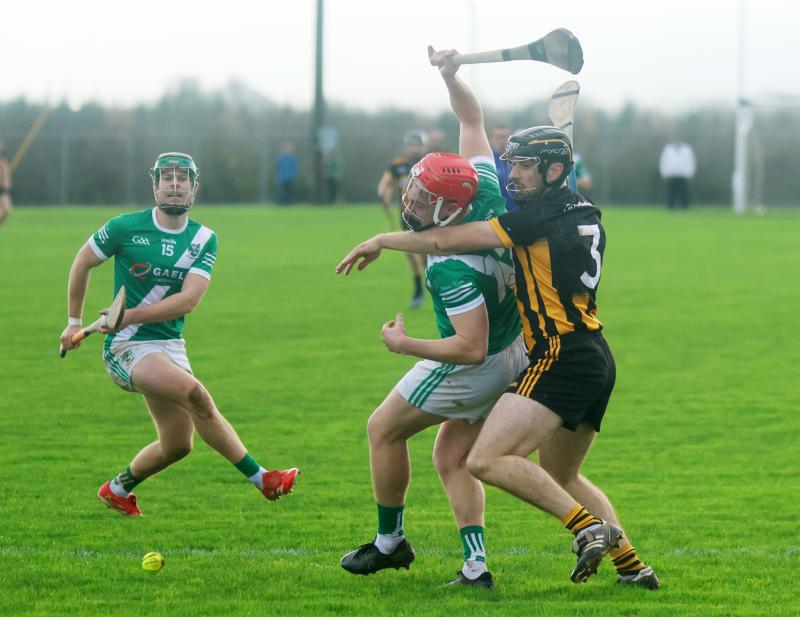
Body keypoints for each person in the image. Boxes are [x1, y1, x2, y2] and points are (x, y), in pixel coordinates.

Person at [336, 51, 659, 591]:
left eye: (525, 167)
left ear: (553, 172)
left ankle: (584, 529)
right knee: (561, 473)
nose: (512, 174)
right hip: (595, 356)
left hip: (555, 357)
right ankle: (633, 567)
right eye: (512, 164)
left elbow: (444, 242)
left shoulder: (526, 221)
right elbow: (472, 120)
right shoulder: (579, 209)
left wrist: (383, 241)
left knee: (485, 459)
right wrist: (451, 76)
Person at [339, 51, 528, 588]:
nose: (411, 201)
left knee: (383, 429)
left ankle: (389, 543)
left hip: (481, 362)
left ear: (449, 211)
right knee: (449, 456)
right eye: (413, 190)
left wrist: (407, 345)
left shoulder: (449, 269)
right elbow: (472, 117)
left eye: (423, 200)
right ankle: (476, 566)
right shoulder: (485, 186)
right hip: (515, 346)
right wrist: (451, 76)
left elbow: (469, 347)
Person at [59, 152, 299, 516]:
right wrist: (74, 321)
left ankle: (117, 489)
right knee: (195, 395)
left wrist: (127, 314)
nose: (174, 184)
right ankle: (263, 479)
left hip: (169, 344)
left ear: (194, 187)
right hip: (128, 345)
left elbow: (188, 300)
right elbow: (82, 261)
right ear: (155, 186)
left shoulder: (203, 239)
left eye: (182, 178)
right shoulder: (125, 227)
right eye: (167, 178)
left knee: (177, 445)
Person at [377, 130, 429, 308]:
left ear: (422, 146)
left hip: (427, 217)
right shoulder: (398, 164)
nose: (411, 148)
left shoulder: (429, 163)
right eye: (409, 145)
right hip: (406, 215)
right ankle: (418, 288)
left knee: (424, 255)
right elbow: (386, 183)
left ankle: (433, 284)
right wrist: (383, 194)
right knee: (409, 253)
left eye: (415, 145)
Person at [659, 139, 696, 209]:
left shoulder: (687, 150)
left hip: (683, 175)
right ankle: (670, 206)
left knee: (683, 192)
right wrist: (664, 173)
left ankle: (684, 206)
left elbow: (690, 162)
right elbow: (664, 161)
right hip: (671, 174)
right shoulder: (668, 149)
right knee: (671, 192)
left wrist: (690, 173)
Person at [490, 124, 516, 212]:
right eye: (498, 137)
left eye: (505, 137)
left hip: (517, 211)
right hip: (496, 213)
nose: (501, 141)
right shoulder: (489, 160)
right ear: (492, 140)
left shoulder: (519, 160)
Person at [0, 142, 12, 226]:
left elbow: (7, 175)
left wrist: (8, 181)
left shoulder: (4, 162)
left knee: (7, 211)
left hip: (4, 189)